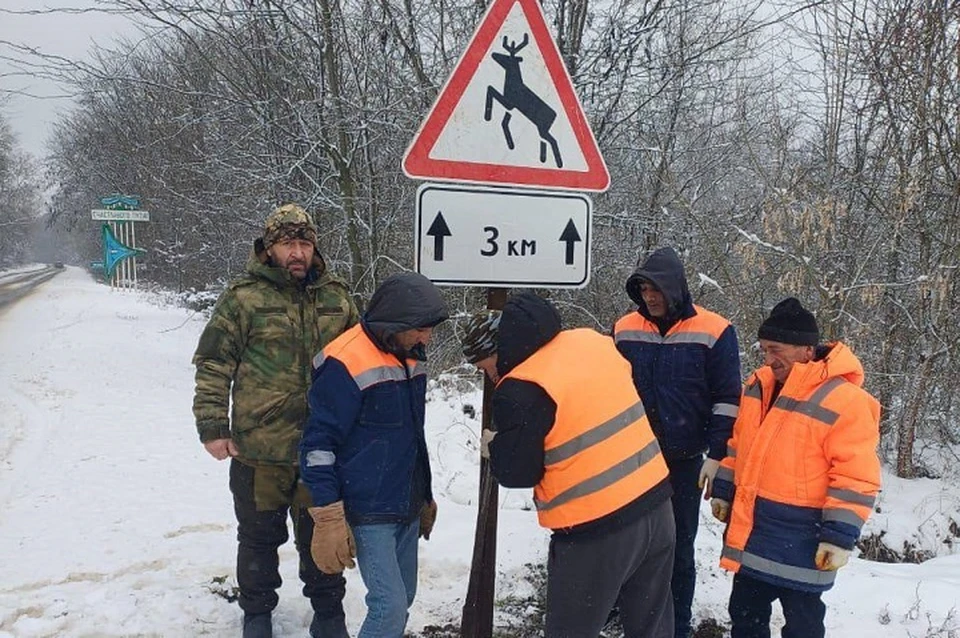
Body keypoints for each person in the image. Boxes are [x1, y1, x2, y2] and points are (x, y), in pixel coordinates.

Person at [465, 292, 676, 638]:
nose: (490, 377)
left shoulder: (521, 387)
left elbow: (518, 472)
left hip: (596, 530)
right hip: (657, 507)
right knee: (652, 629)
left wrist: (497, 447)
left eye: (486, 367)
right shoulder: (591, 342)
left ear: (499, 349)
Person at [192, 203, 359, 638]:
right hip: (259, 448)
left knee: (322, 534)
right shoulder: (243, 297)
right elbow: (213, 362)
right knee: (258, 539)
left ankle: (328, 614)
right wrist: (213, 426)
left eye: (305, 243)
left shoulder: (337, 298)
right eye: (288, 244)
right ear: (269, 249)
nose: (297, 252)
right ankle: (257, 614)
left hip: (322, 451)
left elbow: (361, 364)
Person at [710, 297, 881, 638]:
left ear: (806, 350)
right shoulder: (758, 385)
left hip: (804, 539)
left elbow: (855, 476)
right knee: (744, 617)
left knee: (803, 624)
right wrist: (724, 490)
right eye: (764, 350)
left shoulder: (846, 400)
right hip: (755, 531)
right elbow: (739, 444)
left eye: (776, 350)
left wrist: (838, 538)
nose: (768, 359)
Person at [299, 272, 449, 638]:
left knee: (404, 597)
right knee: (389, 606)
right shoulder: (344, 361)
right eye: (421, 329)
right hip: (368, 507)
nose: (427, 338)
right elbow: (317, 445)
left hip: (406, 501)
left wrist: (424, 493)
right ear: (395, 323)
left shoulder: (411, 353)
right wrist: (328, 513)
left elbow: (412, 435)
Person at [613, 247, 742, 638]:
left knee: (678, 547)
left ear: (675, 288)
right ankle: (631, 618)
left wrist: (717, 454)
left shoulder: (715, 330)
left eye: (656, 290)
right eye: (643, 290)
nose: (650, 297)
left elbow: (727, 398)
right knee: (628, 544)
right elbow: (607, 388)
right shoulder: (624, 328)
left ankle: (677, 624)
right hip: (631, 458)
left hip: (684, 460)